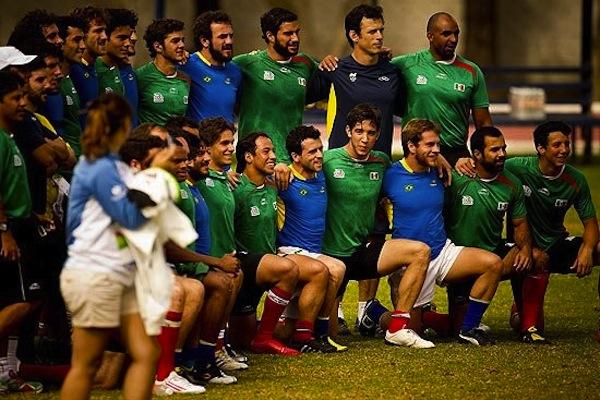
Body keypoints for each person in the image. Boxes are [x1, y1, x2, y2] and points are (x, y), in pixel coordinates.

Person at [59, 93, 175, 400]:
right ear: (124, 125)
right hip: (96, 273)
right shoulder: (98, 167)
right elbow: (130, 218)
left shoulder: (116, 167)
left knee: (147, 353)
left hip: (118, 272)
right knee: (86, 363)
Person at [381, 118, 503, 346]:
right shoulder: (391, 175)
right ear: (411, 146)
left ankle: (468, 328)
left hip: (443, 252)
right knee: (410, 328)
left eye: (437, 144)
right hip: (411, 260)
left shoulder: (440, 170)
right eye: (429, 145)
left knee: (493, 264)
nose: (436, 150)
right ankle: (378, 315)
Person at [321, 103, 433, 348]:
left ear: (378, 135)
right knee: (328, 337)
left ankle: (397, 328)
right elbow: (298, 172)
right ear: (348, 131)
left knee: (420, 251)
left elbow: (413, 166)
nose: (365, 139)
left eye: (371, 133)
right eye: (359, 131)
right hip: (331, 258)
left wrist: (442, 161)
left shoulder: (381, 162)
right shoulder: (328, 160)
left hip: (363, 253)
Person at [196, 119, 301, 356]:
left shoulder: (273, 185)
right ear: (249, 157)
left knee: (245, 339)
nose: (273, 155)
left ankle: (303, 332)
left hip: (260, 265)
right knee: (288, 270)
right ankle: (212, 350)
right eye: (267, 151)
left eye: (274, 150)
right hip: (242, 261)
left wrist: (284, 168)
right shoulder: (233, 185)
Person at [440, 127, 541, 342]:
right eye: (495, 149)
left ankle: (529, 325)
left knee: (538, 257)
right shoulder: (455, 178)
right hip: (457, 257)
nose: (502, 154)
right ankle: (389, 316)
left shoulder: (511, 184)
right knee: (453, 327)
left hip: (494, 253)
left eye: (503, 148)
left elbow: (520, 223)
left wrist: (524, 249)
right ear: (476, 154)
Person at [504, 121, 599, 340]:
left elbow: (591, 224)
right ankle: (521, 310)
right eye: (557, 145)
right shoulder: (516, 167)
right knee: (527, 325)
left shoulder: (576, 179)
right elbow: (486, 167)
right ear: (540, 148)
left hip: (556, 244)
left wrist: (587, 248)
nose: (564, 150)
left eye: (567, 143)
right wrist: (464, 163)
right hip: (524, 252)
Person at [391, 12, 492, 170]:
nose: (453, 39)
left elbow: (484, 123)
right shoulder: (406, 64)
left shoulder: (472, 71)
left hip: (455, 153)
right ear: (430, 36)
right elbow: (372, 68)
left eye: (456, 33)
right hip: (417, 151)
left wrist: (486, 158)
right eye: (446, 34)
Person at [276, 125, 347, 350]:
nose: (318, 155)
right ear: (295, 157)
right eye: (312, 152)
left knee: (283, 332)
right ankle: (317, 335)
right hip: (289, 251)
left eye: (320, 149)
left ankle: (308, 331)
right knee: (336, 268)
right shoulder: (283, 179)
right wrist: (276, 167)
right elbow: (252, 177)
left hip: (314, 254)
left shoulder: (321, 174)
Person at [308, 4, 403, 157]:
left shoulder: (393, 72)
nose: (379, 36)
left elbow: (405, 110)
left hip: (379, 165)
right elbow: (297, 100)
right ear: (354, 36)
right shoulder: (334, 69)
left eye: (381, 30)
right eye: (372, 32)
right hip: (341, 167)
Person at [0, 71, 44, 394]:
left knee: (14, 300)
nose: (23, 103)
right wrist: (4, 231)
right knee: (24, 302)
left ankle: (4, 371)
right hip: (7, 230)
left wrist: (34, 214)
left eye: (23, 96)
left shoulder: (10, 137)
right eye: (15, 98)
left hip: (21, 223)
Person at [233, 7, 316, 165]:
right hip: (255, 162)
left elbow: (334, 76)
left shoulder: (305, 63)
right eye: (288, 34)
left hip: (291, 162)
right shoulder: (247, 63)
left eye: (297, 32)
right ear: (270, 36)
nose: (296, 38)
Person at [182, 10, 241, 123]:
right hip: (198, 139)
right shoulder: (187, 65)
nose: (229, 41)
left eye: (231, 36)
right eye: (222, 37)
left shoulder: (235, 71)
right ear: (204, 41)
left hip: (227, 139)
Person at [137, 18, 189, 125]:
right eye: (175, 41)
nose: (182, 45)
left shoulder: (186, 79)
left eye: (182, 40)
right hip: (150, 141)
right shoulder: (140, 77)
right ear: (158, 47)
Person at [97, 8, 139, 126]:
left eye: (128, 37)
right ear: (105, 37)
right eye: (121, 38)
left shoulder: (127, 69)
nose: (127, 43)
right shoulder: (95, 71)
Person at [70, 6, 107, 126]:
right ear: (83, 35)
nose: (104, 37)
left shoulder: (95, 67)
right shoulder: (72, 70)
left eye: (104, 31)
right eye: (98, 31)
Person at [56, 15, 86, 157]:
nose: (83, 46)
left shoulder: (70, 78)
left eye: (83, 40)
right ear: (61, 43)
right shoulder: (53, 84)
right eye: (76, 40)